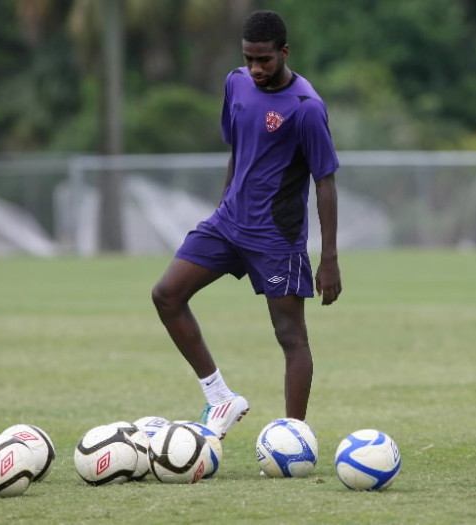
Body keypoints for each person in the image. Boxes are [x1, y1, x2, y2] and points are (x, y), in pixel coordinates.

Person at [151, 10, 342, 440]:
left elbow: (324, 182)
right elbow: (237, 149)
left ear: (284, 52)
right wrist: (223, 208)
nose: (256, 69)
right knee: (166, 295)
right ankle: (219, 396)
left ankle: (293, 437)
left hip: (277, 238)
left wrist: (328, 259)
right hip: (228, 224)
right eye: (249, 59)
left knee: (290, 336)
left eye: (265, 60)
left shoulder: (306, 108)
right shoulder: (235, 83)